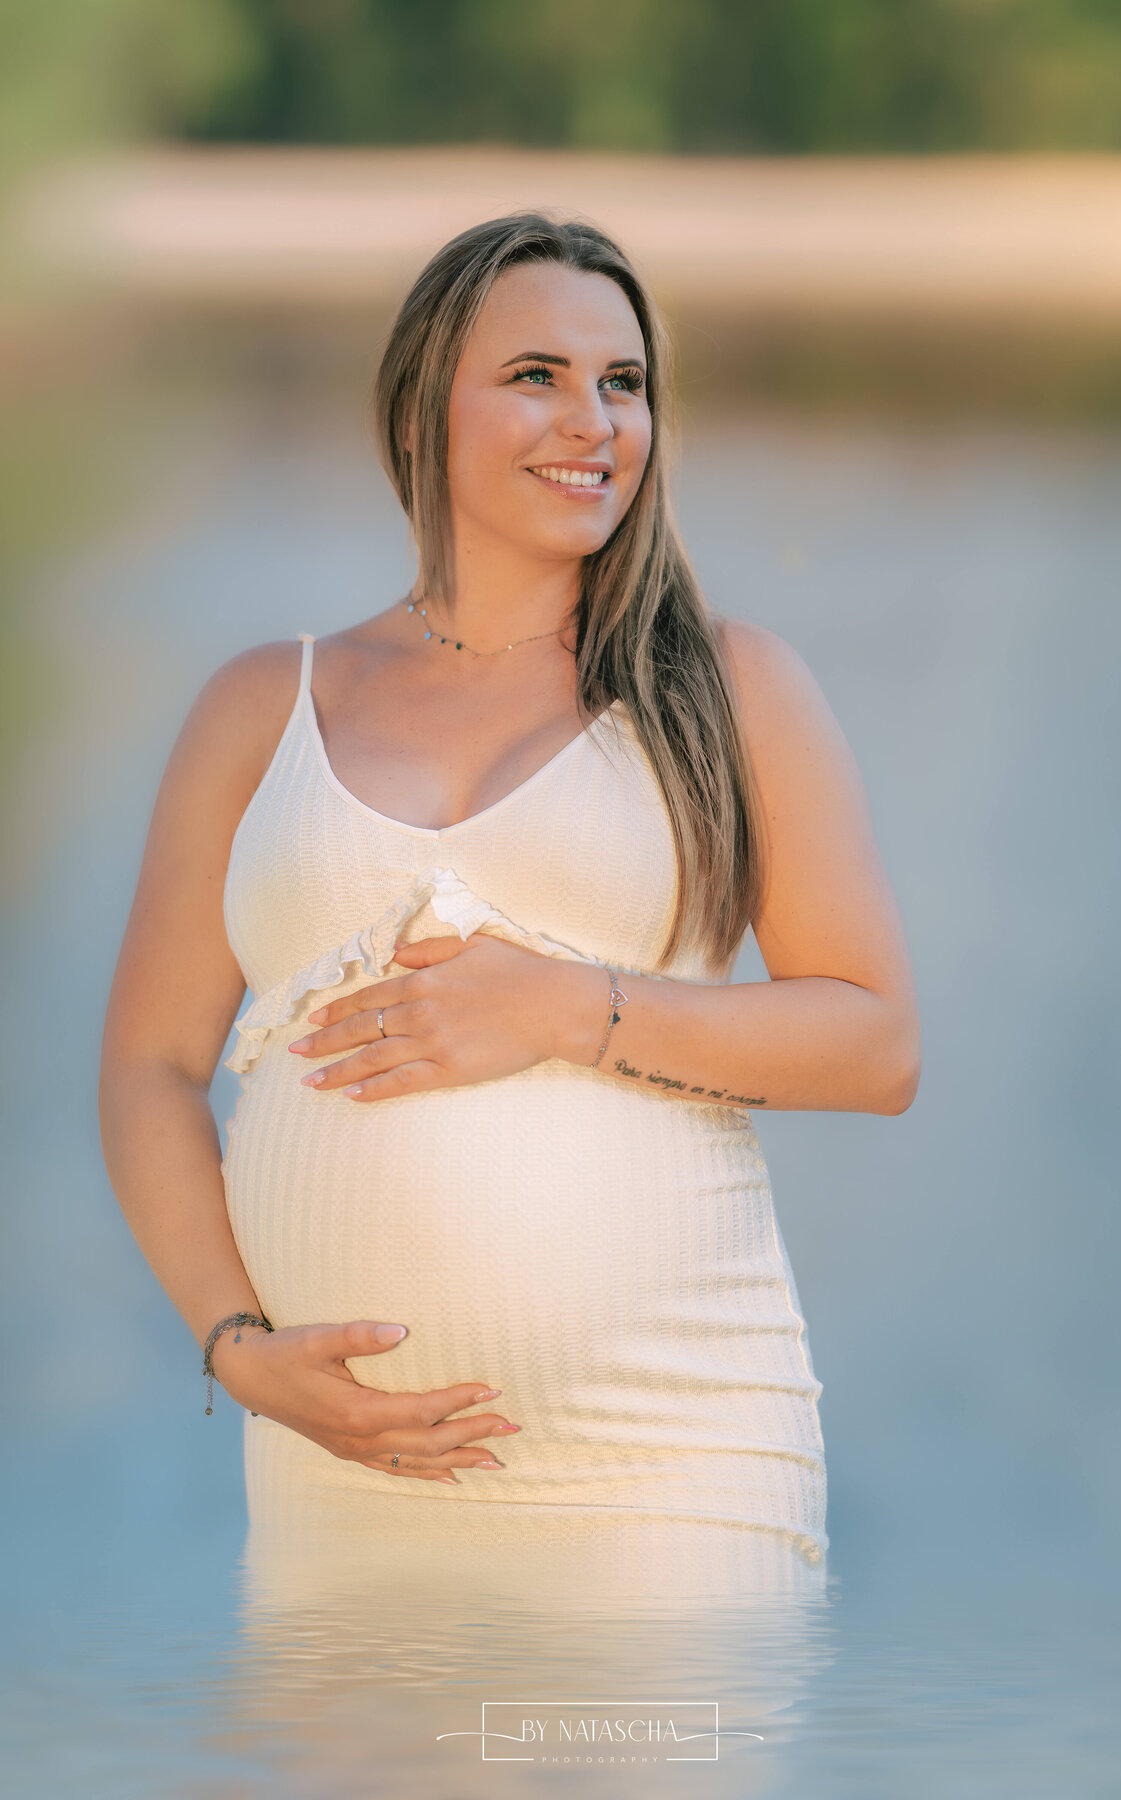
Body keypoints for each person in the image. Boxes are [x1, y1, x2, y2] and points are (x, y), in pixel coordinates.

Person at [98, 213, 919, 1586]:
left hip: (667, 1472)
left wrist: (564, 1009)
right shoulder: (265, 704)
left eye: (625, 382)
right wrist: (238, 1350)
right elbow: (150, 1066)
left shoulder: (725, 686)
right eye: (536, 374)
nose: (592, 421)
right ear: (420, 414)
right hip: (339, 1478)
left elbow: (875, 1044)